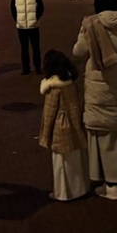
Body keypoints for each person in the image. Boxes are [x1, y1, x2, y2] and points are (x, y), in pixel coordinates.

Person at [72, 0, 117, 200]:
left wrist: (82, 33)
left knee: (105, 138)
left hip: (102, 91)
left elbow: (78, 52)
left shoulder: (92, 25)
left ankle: (111, 185)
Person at [39, 49, 88, 202]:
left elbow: (49, 114)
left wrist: (45, 136)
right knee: (76, 160)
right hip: (75, 123)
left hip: (60, 127)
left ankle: (63, 193)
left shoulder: (54, 88)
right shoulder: (71, 82)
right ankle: (80, 188)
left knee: (61, 163)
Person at [11, 0, 45, 76]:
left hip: (33, 25)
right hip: (21, 26)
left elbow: (41, 7)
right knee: (24, 48)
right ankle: (25, 67)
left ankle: (37, 66)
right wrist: (17, 20)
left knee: (36, 47)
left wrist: (36, 18)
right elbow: (13, 9)